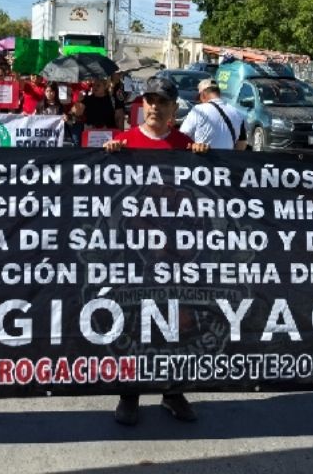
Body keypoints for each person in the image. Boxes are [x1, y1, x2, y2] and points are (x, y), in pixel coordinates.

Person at [103, 77, 206, 426]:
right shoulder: (126, 143)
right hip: (136, 254)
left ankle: (172, 393)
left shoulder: (184, 145)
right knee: (134, 319)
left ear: (174, 108)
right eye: (149, 100)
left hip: (176, 254)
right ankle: (129, 395)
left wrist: (204, 158)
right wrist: (109, 157)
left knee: (175, 321)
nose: (154, 107)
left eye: (162, 101)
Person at [179, 79, 247, 151]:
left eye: (198, 98)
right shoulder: (237, 113)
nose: (199, 101)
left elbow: (181, 138)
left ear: (203, 95)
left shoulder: (199, 110)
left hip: (203, 157)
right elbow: (241, 145)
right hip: (227, 157)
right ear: (219, 93)